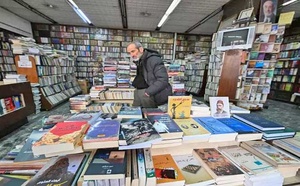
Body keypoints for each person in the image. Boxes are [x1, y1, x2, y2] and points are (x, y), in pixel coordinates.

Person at [127, 41, 172, 108]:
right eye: (129, 53)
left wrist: (148, 92)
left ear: (141, 49)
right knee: (135, 114)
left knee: (149, 115)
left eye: (133, 51)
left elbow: (163, 80)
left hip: (151, 93)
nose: (131, 55)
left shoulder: (154, 60)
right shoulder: (140, 60)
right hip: (140, 92)